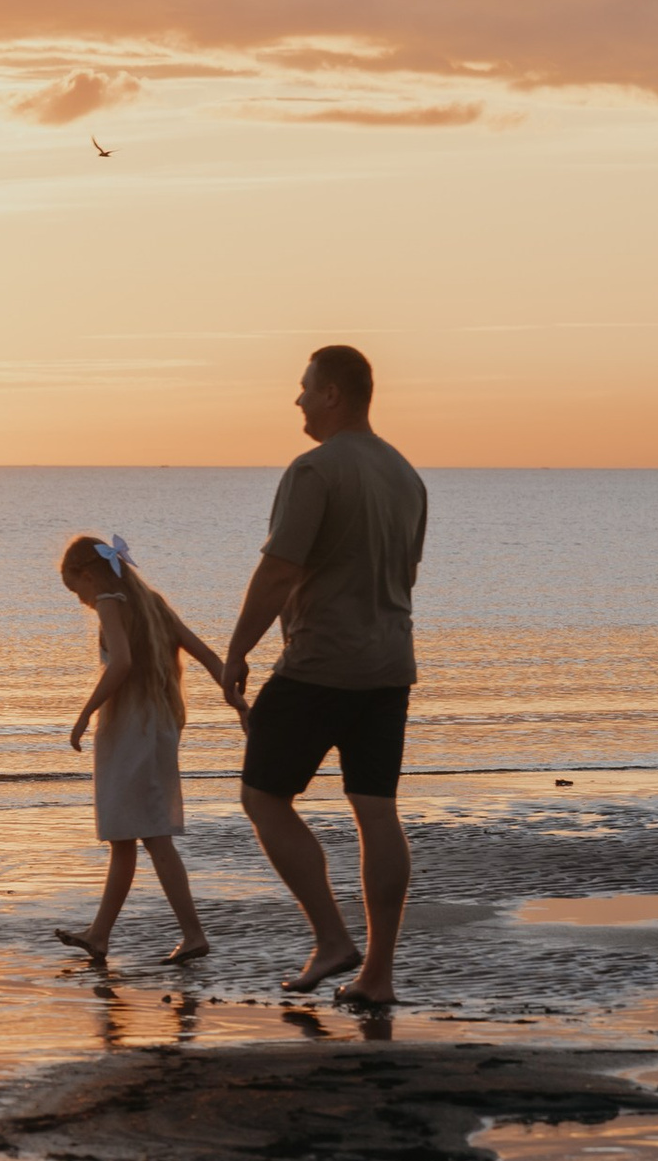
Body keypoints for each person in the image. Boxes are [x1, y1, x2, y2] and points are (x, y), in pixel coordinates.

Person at [221, 345, 428, 1008]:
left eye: (306, 388)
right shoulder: (405, 475)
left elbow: (280, 570)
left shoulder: (314, 470)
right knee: (376, 812)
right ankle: (379, 975)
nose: (299, 400)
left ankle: (334, 938)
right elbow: (406, 575)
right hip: (389, 665)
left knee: (262, 797)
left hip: (319, 664)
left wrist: (236, 650)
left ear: (334, 392)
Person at [55, 531, 232, 966]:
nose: (80, 601)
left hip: (130, 729)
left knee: (149, 836)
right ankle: (100, 934)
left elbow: (122, 662)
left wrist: (84, 713)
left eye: (75, 589)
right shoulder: (151, 602)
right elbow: (209, 656)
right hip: (158, 726)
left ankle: (192, 935)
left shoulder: (111, 601)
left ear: (86, 575)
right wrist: (240, 700)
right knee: (129, 837)